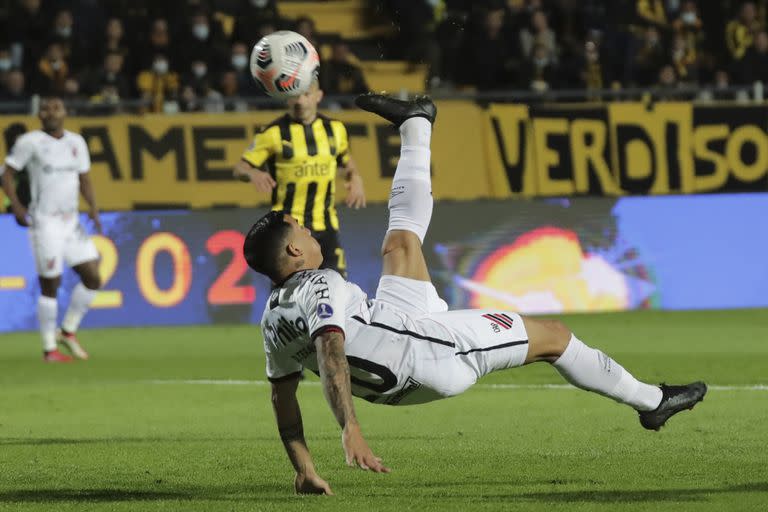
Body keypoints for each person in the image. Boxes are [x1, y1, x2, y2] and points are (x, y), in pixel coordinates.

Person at [242, 94, 708, 495]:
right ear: (293, 250)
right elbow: (330, 351)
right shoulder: (321, 284)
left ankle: (416, 124)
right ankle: (652, 402)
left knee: (401, 244)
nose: (307, 228)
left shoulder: (271, 318)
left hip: (392, 329)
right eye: (300, 228)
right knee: (553, 336)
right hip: (424, 355)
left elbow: (283, 399)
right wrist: (351, 433)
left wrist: (304, 470)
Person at [1, 97, 102, 363]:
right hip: (45, 221)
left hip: (71, 221)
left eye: (56, 107)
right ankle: (49, 349)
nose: (51, 112)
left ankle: (67, 331)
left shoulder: (76, 142)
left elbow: (84, 178)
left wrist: (93, 207)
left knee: (93, 277)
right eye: (46, 108)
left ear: (65, 112)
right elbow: (6, 174)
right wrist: (18, 207)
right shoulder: (30, 142)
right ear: (39, 114)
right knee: (51, 283)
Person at [234, 80, 366, 278]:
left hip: (327, 227)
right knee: (292, 296)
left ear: (318, 96)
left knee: (338, 289)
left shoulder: (336, 130)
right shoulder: (272, 133)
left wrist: (355, 177)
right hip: (290, 232)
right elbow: (239, 169)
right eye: (294, 95)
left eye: (306, 94)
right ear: (287, 98)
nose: (300, 101)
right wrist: (253, 173)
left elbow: (346, 162)